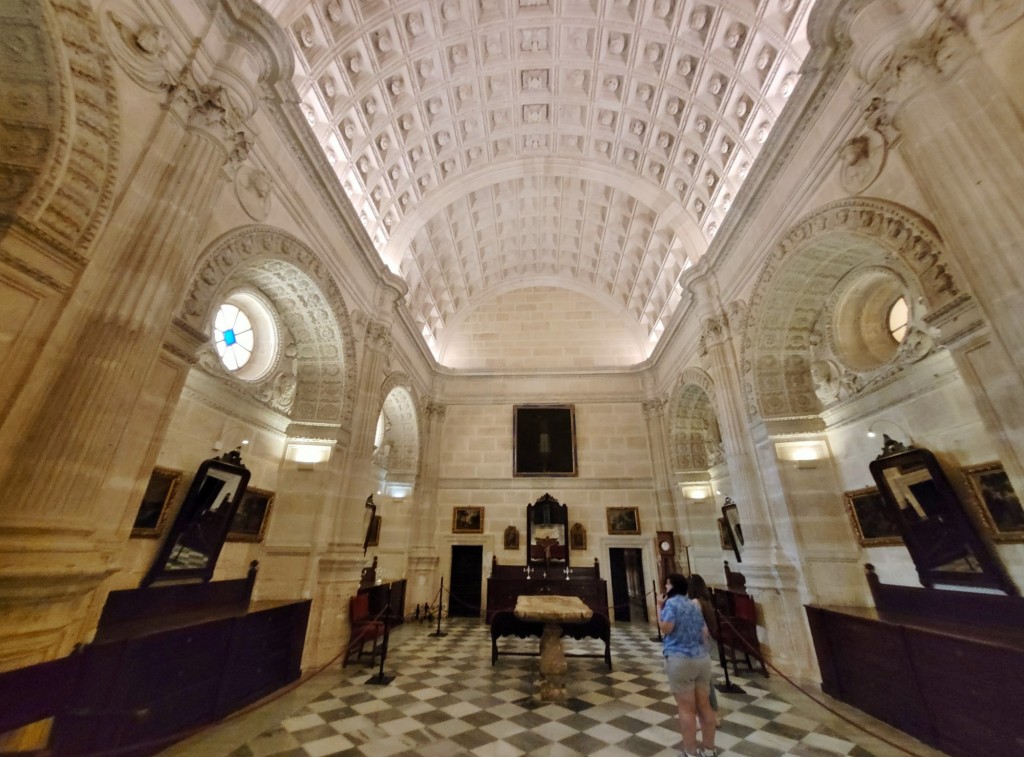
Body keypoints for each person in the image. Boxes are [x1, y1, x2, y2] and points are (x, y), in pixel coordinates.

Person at [658, 573, 716, 757]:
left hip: (680, 659)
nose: (665, 588)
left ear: (673, 586)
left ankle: (690, 752)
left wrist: (659, 608)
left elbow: (666, 628)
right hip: (701, 659)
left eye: (667, 585)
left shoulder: (672, 604)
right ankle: (709, 749)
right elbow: (704, 634)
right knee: (704, 706)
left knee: (686, 708)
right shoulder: (694, 605)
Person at [687, 574, 722, 725]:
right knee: (704, 679)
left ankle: (709, 713)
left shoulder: (694, 603)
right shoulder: (706, 602)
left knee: (701, 680)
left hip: (696, 646)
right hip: (705, 645)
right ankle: (710, 712)